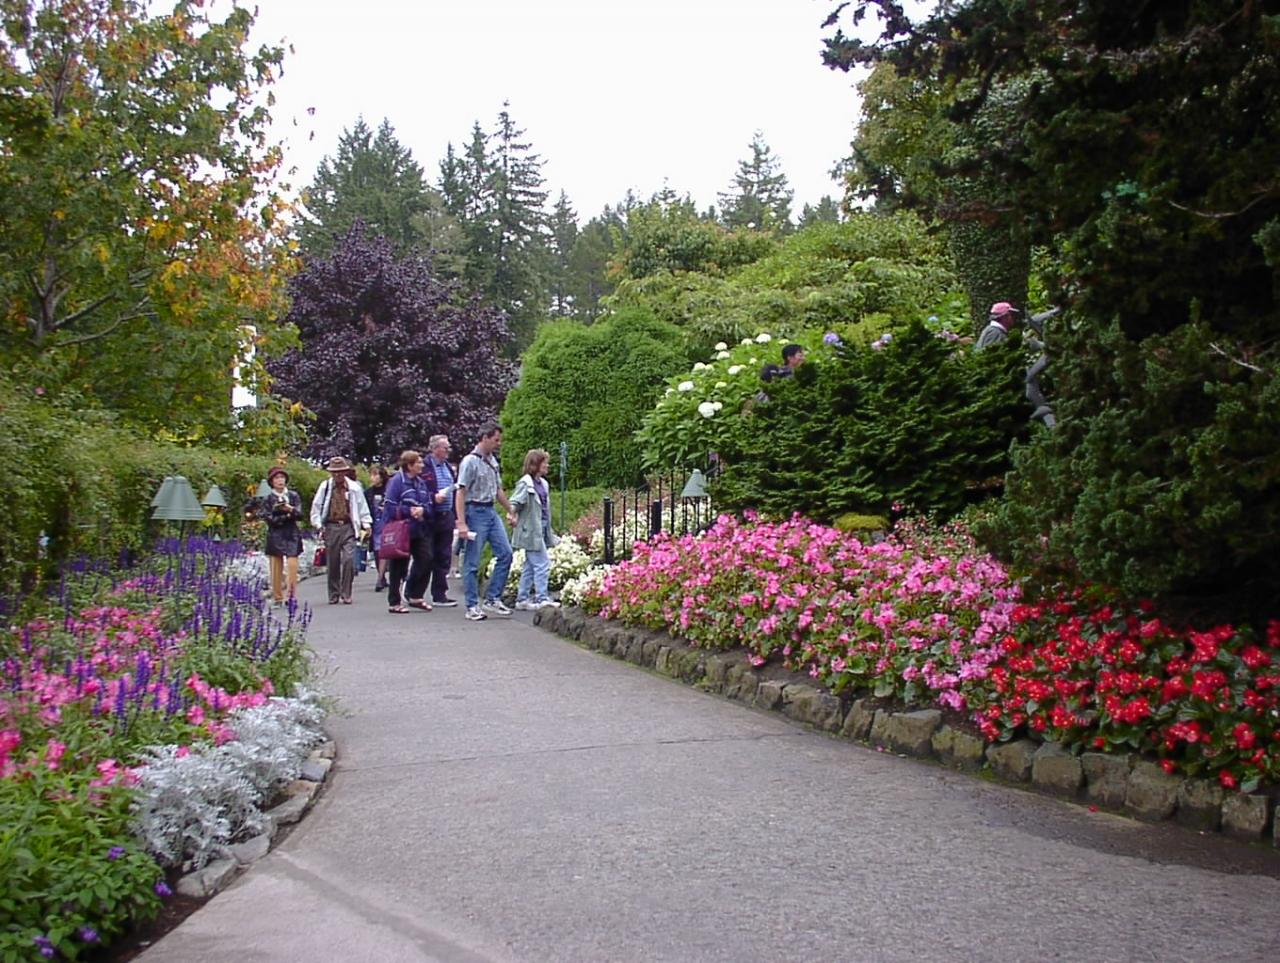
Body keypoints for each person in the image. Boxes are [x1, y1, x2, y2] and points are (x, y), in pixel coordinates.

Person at [454, 423, 516, 621]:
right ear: (484, 438)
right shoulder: (469, 462)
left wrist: (511, 510)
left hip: (490, 510)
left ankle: (493, 598)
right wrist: (461, 522)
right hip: (474, 511)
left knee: (506, 553)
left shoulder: (492, 461)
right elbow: (460, 492)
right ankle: (472, 606)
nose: (499, 444)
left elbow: (498, 490)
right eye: (496, 440)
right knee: (472, 561)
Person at [309, 456, 372, 605]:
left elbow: (362, 507)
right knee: (333, 562)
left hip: (348, 526)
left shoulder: (354, 488)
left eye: (340, 472)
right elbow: (316, 506)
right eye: (334, 472)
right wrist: (317, 524)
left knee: (349, 560)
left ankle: (346, 593)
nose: (337, 475)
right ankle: (334, 593)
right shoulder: (325, 487)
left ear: (345, 472)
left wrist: (366, 523)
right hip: (331, 527)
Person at [380, 450, 434, 614]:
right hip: (401, 531)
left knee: (426, 559)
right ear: (409, 465)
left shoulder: (421, 483)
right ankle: (394, 602)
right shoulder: (396, 482)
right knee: (398, 566)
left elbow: (429, 505)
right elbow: (389, 507)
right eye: (419, 462)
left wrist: (423, 510)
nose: (422, 465)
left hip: (419, 529)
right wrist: (409, 511)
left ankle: (415, 595)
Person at [510, 448, 561, 611]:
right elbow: (515, 502)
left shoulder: (543, 484)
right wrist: (511, 514)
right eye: (544, 463)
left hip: (541, 527)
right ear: (536, 464)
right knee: (542, 563)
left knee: (530, 566)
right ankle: (542, 598)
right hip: (531, 530)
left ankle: (522, 598)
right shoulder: (526, 484)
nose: (547, 465)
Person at [423, 435, 459, 606]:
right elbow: (420, 490)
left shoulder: (448, 467)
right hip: (431, 517)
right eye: (445, 448)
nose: (448, 451)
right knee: (426, 556)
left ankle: (439, 594)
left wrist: (456, 515)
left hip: (446, 516)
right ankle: (413, 591)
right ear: (435, 449)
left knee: (444, 556)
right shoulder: (425, 467)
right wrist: (433, 498)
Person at [261, 466, 303, 607]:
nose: (280, 480)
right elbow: (269, 518)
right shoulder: (268, 499)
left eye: (282, 477)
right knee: (276, 568)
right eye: (277, 478)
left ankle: (291, 596)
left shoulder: (293, 496)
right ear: (272, 482)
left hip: (292, 533)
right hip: (276, 534)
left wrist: (290, 509)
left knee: (292, 565)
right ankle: (278, 597)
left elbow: (299, 514)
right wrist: (286, 515)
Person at [365, 464, 390, 592]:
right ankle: (382, 577)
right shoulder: (368, 492)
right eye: (371, 475)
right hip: (375, 524)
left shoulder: (389, 490)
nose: (372, 478)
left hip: (387, 523)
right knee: (377, 551)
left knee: (384, 550)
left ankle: (380, 579)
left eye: (375, 475)